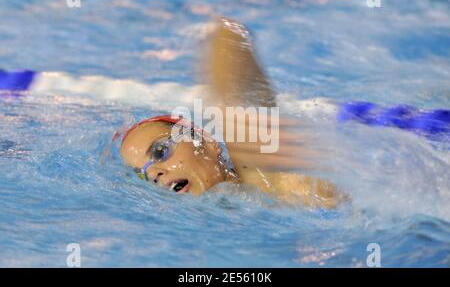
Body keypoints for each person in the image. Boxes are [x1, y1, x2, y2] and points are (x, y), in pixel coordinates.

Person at [119, 17, 344, 208]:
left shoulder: (262, 176)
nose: (153, 174)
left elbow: (229, 38)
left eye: (160, 151)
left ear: (207, 142)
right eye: (141, 174)